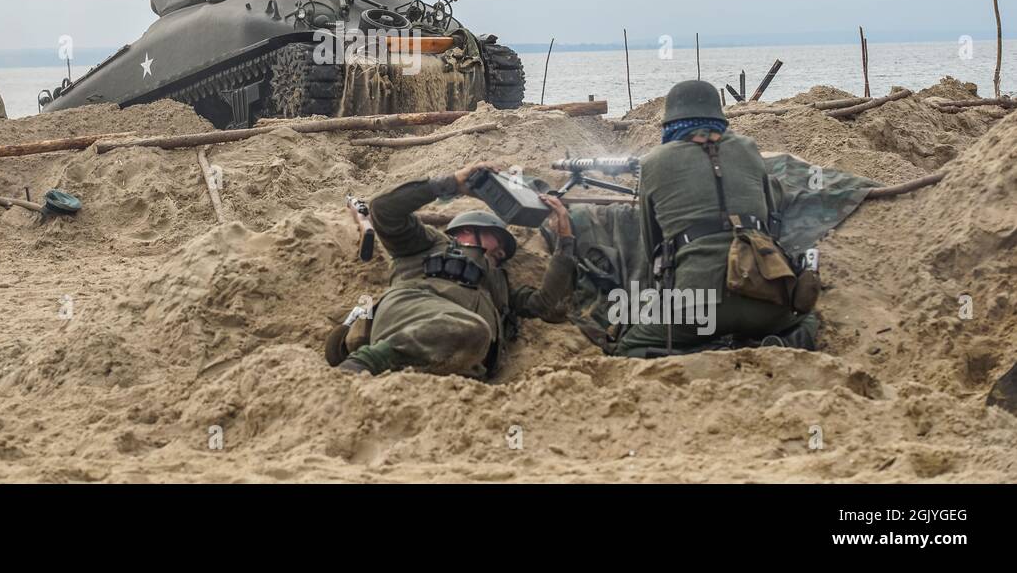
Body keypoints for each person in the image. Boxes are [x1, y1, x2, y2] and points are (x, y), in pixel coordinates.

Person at [616, 79, 816, 357]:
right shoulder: (748, 149)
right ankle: (779, 345)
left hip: (696, 305)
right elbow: (771, 223)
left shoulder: (653, 162)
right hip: (765, 294)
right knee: (809, 320)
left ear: (671, 122)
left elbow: (652, 249)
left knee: (631, 345)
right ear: (719, 118)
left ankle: (702, 349)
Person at [335, 161, 579, 378]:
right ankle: (362, 364)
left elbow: (546, 305)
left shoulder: (500, 285)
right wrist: (452, 183)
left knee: (472, 334)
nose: (502, 253)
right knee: (470, 331)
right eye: (498, 240)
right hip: (413, 314)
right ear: (465, 231)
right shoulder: (429, 243)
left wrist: (565, 240)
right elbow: (384, 210)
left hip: (462, 363)